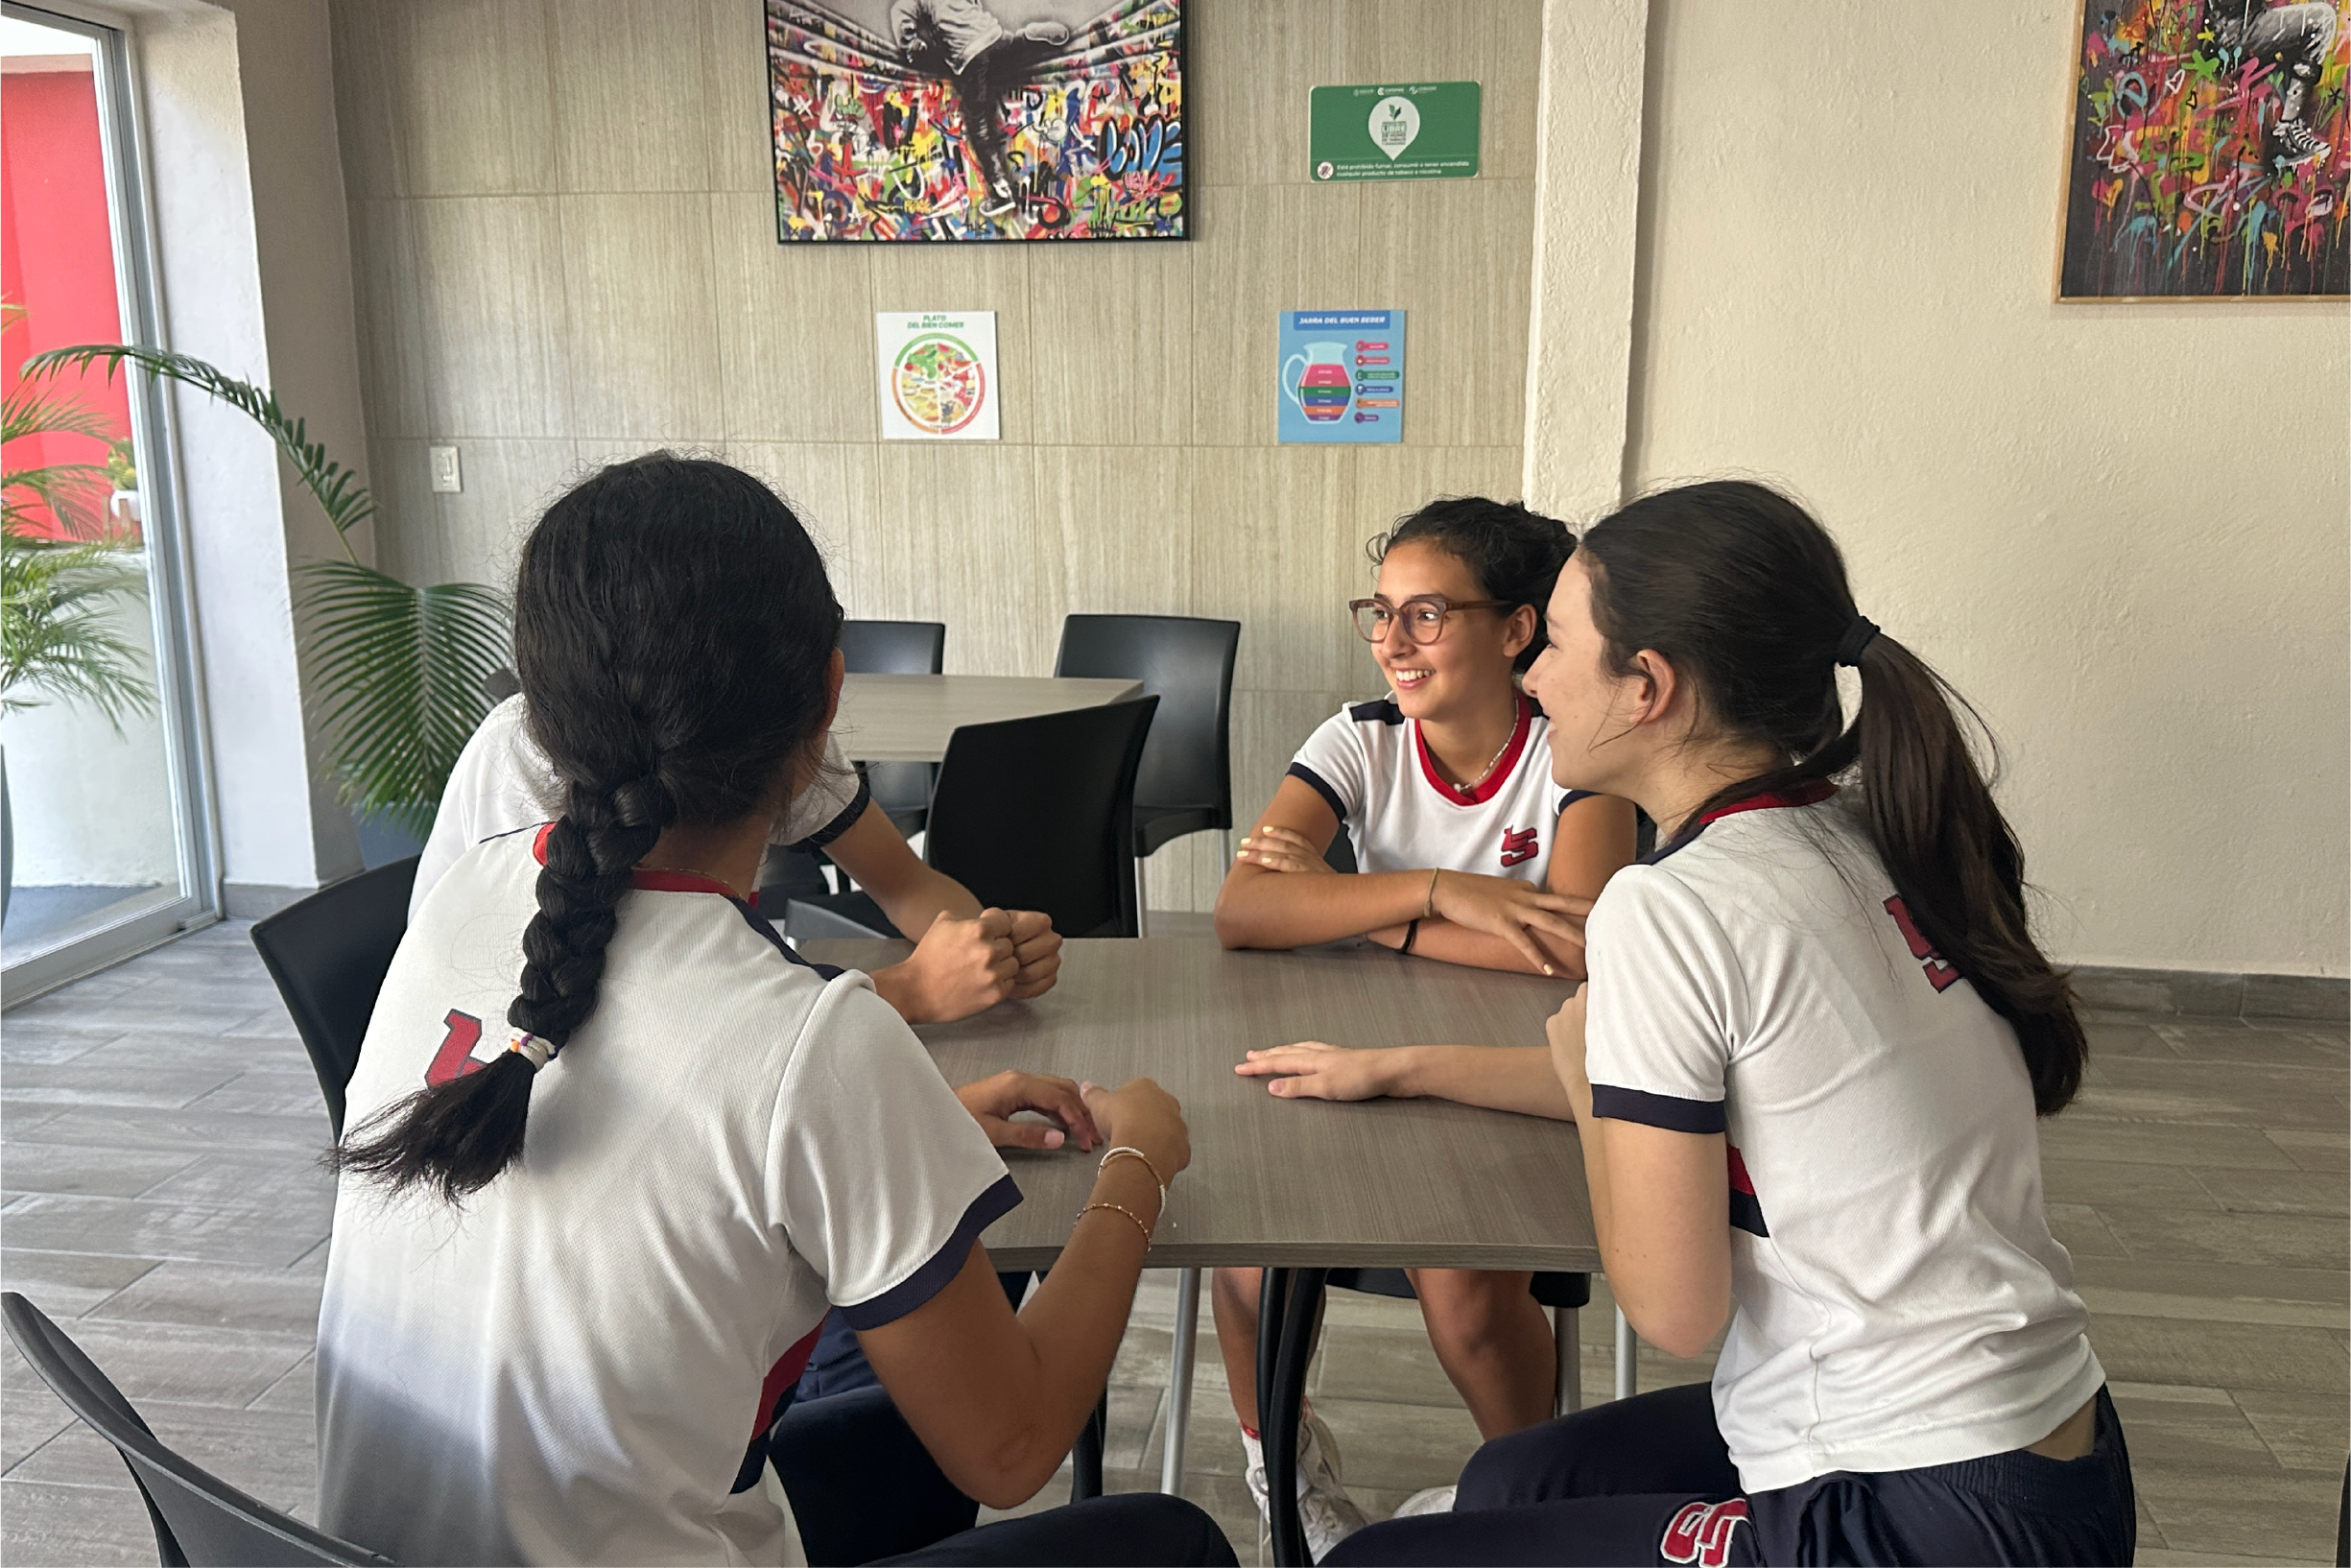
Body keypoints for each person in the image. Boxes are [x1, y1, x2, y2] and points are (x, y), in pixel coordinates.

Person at [315, 454, 1233, 1568]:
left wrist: (912, 1121)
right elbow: (1013, 1446)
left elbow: (679, 1107)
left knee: (895, 1424)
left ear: (538, 705)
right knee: (1170, 1538)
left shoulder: (466, 888)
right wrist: (1138, 1159)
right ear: (828, 702)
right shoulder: (816, 1036)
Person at [1325, 480, 2133, 1567]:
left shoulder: (1673, 905)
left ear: (1647, 686)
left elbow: (1671, 1307)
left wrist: (1574, 1087)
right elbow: (1699, 1079)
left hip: (1910, 1511)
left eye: (1554, 643)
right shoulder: (1857, 825)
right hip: (2056, 1460)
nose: (1532, 675)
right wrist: (1403, 1065)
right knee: (1512, 1476)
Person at [1208, 497, 1640, 1557]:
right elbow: (1246, 907)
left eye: (1427, 614)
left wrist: (1369, 913)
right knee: (1239, 1262)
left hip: (1518, 1074)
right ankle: (1282, 1468)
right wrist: (1444, 892)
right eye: (1381, 612)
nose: (1391, 642)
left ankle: (1536, 1499)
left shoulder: (1572, 752)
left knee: (1461, 1287)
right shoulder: (1356, 738)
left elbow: (1576, 944)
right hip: (1357, 1052)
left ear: (1516, 629)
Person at [416, 696, 1060, 1028]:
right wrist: (906, 991)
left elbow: (903, 880)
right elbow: (603, 1027)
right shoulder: (523, 759)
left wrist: (987, 947)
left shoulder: (781, 728)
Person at [889, 0, 1072, 218]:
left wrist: (912, 47)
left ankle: (1001, 190)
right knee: (1008, 54)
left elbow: (902, 21)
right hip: (992, 35)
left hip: (969, 56)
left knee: (979, 126)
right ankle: (1027, 39)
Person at [2210, 0, 2339, 166]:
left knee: (2306, 25)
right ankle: (2286, 131)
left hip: (2241, 23)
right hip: (2236, 30)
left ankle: (2289, 129)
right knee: (2323, 19)